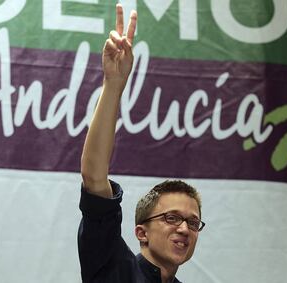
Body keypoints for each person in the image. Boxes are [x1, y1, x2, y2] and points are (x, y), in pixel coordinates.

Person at [78, 4, 205, 283]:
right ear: (141, 232)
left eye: (193, 222)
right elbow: (94, 178)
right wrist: (113, 84)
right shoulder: (113, 267)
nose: (184, 228)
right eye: (171, 218)